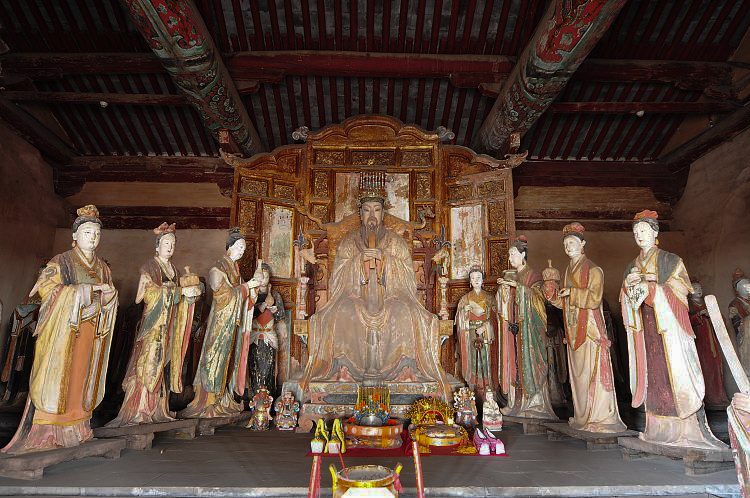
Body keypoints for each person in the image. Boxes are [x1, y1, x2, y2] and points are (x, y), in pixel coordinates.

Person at [298, 172, 450, 398]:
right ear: (360, 213)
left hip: (392, 296)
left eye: (377, 210)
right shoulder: (349, 242)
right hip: (354, 295)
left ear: (383, 214)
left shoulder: (395, 242)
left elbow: (409, 279)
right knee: (344, 312)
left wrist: (386, 261)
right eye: (367, 210)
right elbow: (337, 279)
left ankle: (404, 370)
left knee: (403, 312)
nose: (372, 215)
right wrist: (359, 262)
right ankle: (343, 370)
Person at [3, 205, 118, 453]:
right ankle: (49, 431)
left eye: (97, 233)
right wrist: (82, 291)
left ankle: (78, 427)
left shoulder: (103, 268)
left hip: (90, 331)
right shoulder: (61, 262)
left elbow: (108, 297)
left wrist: (109, 297)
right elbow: (45, 290)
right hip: (64, 332)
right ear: (75, 235)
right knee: (59, 379)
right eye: (87, 232)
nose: (93, 237)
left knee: (82, 377)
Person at [621, 210, 724, 449]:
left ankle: (684, 427)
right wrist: (628, 287)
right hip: (645, 329)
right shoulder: (631, 266)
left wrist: (651, 287)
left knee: (673, 372)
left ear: (655, 232)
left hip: (667, 327)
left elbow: (681, 291)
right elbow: (626, 298)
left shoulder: (671, 260)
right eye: (636, 232)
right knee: (653, 374)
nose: (639, 235)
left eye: (644, 231)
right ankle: (656, 428)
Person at [106, 223, 201, 427]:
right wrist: (177, 292)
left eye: (173, 243)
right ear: (157, 246)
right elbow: (145, 295)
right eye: (166, 243)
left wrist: (189, 297)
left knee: (163, 363)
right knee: (149, 362)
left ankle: (158, 409)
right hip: (154, 324)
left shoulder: (175, 270)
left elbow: (179, 299)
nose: (170, 246)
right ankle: (140, 409)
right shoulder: (150, 266)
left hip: (169, 324)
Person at [549, 222, 625, 432]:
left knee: (592, 371)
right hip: (574, 330)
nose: (568, 247)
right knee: (578, 376)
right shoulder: (568, 270)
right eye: (566, 244)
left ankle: (600, 417)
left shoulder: (593, 269)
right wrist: (554, 297)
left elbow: (594, 298)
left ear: (583, 244)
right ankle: (582, 416)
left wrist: (571, 293)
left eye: (572, 242)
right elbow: (566, 303)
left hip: (589, 328)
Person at [179, 229, 262, 418]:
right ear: (229, 247)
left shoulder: (235, 270)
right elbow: (222, 294)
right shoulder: (220, 267)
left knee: (229, 358)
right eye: (239, 247)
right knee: (215, 357)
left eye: (244, 248)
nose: (242, 251)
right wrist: (246, 287)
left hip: (232, 324)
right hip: (220, 322)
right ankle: (208, 399)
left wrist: (252, 290)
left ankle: (223, 396)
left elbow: (244, 296)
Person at [497, 236, 556, 419]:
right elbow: (504, 304)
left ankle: (534, 404)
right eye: (509, 255)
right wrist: (504, 292)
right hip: (514, 328)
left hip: (529, 328)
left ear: (523, 255)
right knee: (514, 362)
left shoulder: (533, 275)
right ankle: (515, 404)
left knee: (528, 360)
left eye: (513, 254)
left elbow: (539, 301)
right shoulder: (511, 275)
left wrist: (518, 287)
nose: (510, 258)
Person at [455, 265, 496, 393]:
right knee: (473, 359)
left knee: (485, 358)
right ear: (470, 281)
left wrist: (485, 326)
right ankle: (473, 385)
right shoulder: (465, 299)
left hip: (485, 332)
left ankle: (487, 385)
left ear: (483, 280)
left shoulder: (489, 298)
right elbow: (458, 319)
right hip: (470, 332)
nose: (476, 280)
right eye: (473, 278)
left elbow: (495, 318)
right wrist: (464, 311)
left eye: (479, 277)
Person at [688, 281, 729, 408]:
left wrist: (712, 315)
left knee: (716, 365)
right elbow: (686, 322)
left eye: (700, 287)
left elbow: (721, 319)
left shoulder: (707, 303)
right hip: (700, 342)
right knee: (704, 367)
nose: (698, 290)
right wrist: (699, 314)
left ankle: (719, 396)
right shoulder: (689, 305)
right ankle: (707, 398)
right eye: (695, 288)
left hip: (712, 341)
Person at [248, 261, 285, 397]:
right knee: (254, 367)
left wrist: (274, 309)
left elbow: (281, 315)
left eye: (267, 276)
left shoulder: (275, 295)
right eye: (262, 276)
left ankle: (269, 396)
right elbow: (245, 313)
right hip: (254, 337)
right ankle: (254, 396)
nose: (264, 279)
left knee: (268, 368)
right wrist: (261, 307)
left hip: (269, 337)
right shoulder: (251, 294)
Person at [729, 269, 750, 378]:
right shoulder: (735, 304)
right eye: (745, 285)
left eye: (749, 284)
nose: (748, 287)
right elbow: (736, 322)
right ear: (737, 289)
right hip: (746, 336)